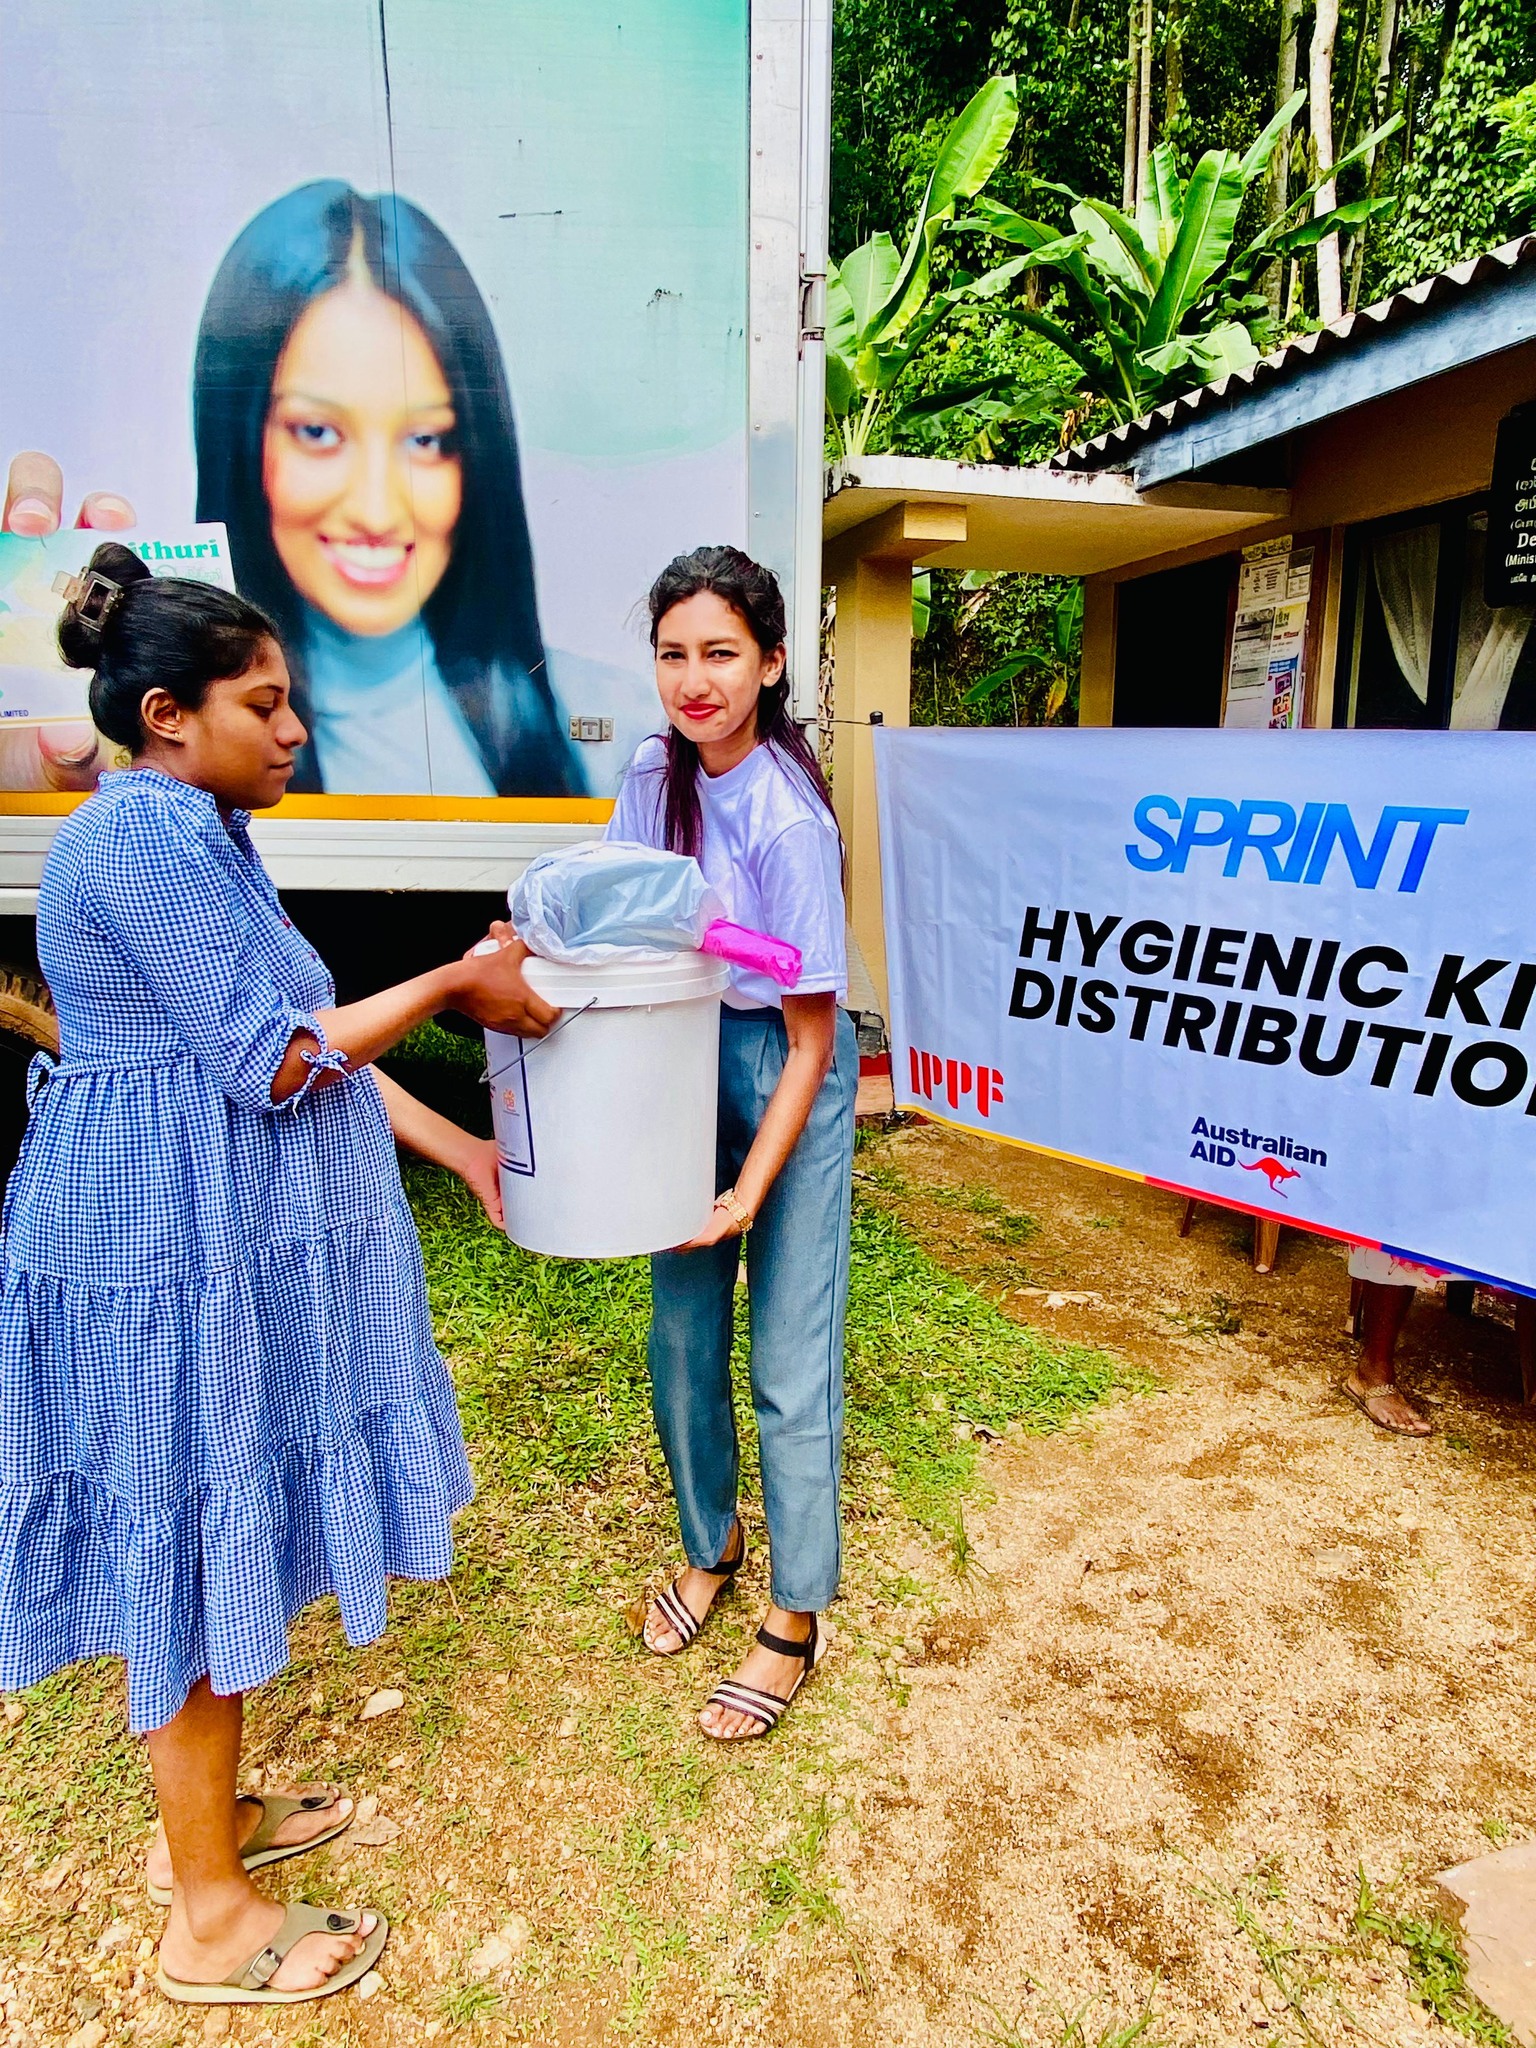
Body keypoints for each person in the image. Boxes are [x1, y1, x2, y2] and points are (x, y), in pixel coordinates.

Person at [0, 542, 558, 2006]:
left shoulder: (198, 831)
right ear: (168, 714)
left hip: (197, 1241)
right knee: (193, 1537)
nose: (297, 727)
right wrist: (455, 981)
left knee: (212, 1514)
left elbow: (303, 1039)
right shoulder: (140, 840)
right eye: (266, 703)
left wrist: (463, 1149)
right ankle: (206, 1919)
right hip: (155, 1254)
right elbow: (281, 1061)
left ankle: (208, 1830)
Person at [607, 545, 856, 1742]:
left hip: (783, 1065)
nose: (694, 680)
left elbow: (810, 1039)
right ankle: (711, 1544)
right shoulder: (650, 771)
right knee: (680, 1330)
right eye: (673, 653)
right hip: (679, 1047)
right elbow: (619, 915)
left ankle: (795, 1612)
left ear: (770, 662)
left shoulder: (788, 818)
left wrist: (749, 1191)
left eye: (720, 652)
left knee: (789, 1358)